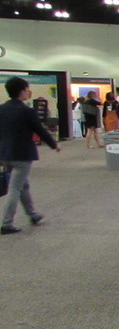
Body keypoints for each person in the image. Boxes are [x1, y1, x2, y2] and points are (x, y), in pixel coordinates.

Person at [0, 77, 60, 235]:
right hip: (22, 155)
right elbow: (40, 130)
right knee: (15, 188)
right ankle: (6, 223)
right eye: (27, 90)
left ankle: (33, 214)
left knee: (22, 184)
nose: (28, 92)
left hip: (5, 154)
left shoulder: (1, 109)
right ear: (21, 91)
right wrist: (54, 144)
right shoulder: (27, 111)